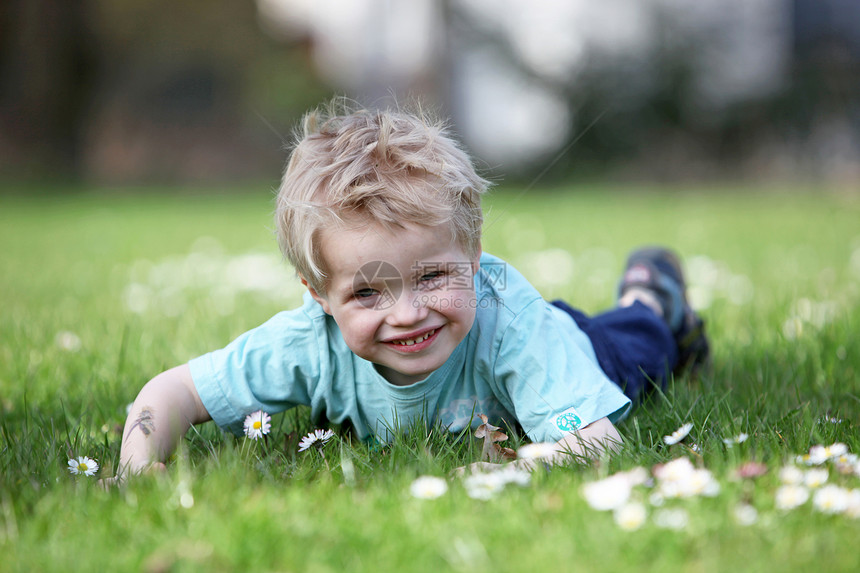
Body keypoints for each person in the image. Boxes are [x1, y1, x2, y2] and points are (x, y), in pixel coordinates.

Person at [111, 100, 708, 481]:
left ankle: (650, 299)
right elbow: (172, 393)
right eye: (367, 293)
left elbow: (598, 442)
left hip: (575, 346)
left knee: (640, 346)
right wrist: (139, 467)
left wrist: (513, 468)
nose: (408, 313)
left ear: (473, 257)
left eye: (431, 275)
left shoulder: (516, 328)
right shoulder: (306, 342)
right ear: (318, 293)